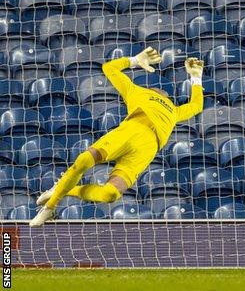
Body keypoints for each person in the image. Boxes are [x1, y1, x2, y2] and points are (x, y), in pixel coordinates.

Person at [30, 48, 205, 226]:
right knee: (84, 160)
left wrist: (196, 77)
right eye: (157, 87)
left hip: (148, 149)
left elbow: (196, 106)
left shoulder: (174, 110)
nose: (161, 90)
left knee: (110, 194)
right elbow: (109, 68)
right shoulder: (136, 91)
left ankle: (62, 189)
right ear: (150, 88)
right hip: (132, 129)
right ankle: (50, 208)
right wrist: (135, 60)